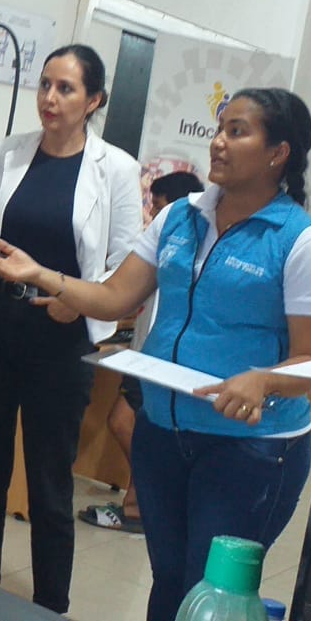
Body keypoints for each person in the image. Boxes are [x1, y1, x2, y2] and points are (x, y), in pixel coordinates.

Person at [0, 88, 311, 620]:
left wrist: (264, 380)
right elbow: (116, 296)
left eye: (237, 132)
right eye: (219, 129)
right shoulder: (179, 216)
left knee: (211, 593)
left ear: (279, 153)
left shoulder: (303, 242)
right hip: (162, 434)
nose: (218, 142)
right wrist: (42, 274)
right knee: (169, 580)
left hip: (248, 450)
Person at [0, 44, 144, 613]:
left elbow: (126, 262)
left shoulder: (117, 169)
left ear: (94, 100)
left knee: (50, 482)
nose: (50, 99)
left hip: (60, 336)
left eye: (66, 89)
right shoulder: (10, 152)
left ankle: (49, 604)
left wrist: (76, 303)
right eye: (45, 85)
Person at [80, 169, 205, 534]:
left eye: (159, 206)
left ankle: (144, 503)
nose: (151, 215)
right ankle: (142, 502)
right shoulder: (164, 243)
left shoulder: (184, 244)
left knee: (123, 422)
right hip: (143, 354)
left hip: (155, 359)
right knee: (136, 426)